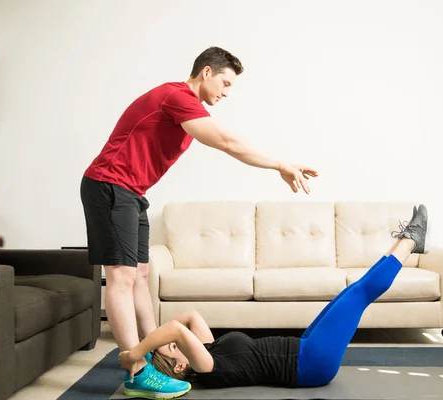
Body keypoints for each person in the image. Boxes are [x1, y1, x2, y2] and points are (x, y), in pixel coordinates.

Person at [80, 46, 318, 398]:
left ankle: (158, 354)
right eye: (225, 83)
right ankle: (135, 369)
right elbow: (225, 141)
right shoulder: (176, 96)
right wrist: (281, 164)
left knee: (141, 276)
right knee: (122, 276)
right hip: (109, 184)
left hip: (131, 191)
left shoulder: (184, 104)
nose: (226, 92)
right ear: (206, 72)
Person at [118, 204, 428, 392]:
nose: (181, 342)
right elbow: (176, 330)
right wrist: (136, 353)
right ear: (178, 368)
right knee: (360, 295)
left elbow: (188, 320)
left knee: (351, 291)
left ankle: (406, 240)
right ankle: (411, 241)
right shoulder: (207, 368)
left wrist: (154, 350)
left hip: (305, 349)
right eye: (175, 350)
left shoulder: (209, 349)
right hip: (310, 364)